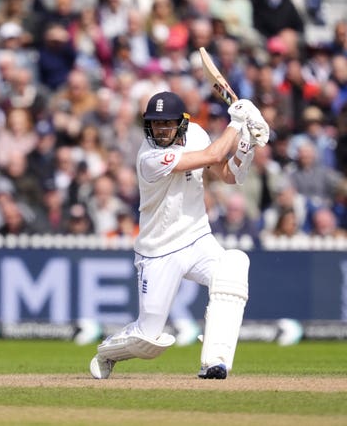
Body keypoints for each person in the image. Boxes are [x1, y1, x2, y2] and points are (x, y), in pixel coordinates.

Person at [89, 92, 269, 380]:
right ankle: (107, 352)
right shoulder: (150, 157)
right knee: (148, 340)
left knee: (233, 267)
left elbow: (229, 175)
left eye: (167, 124)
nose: (160, 130)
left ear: (182, 123)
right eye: (155, 124)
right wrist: (238, 121)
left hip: (197, 237)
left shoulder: (197, 134)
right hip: (158, 250)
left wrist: (246, 145)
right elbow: (212, 155)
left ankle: (215, 361)